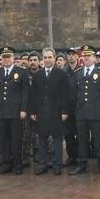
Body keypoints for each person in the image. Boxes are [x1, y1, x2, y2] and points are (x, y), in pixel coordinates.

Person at [69, 45, 100, 175]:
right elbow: (73, 94)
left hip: (97, 113)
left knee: (98, 140)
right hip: (81, 113)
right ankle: (81, 164)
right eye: (85, 56)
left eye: (89, 56)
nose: (87, 58)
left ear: (95, 58)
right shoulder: (77, 73)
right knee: (82, 141)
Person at [29, 48, 71, 176]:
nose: (47, 60)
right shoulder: (38, 75)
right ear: (43, 59)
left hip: (56, 111)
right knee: (42, 139)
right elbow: (33, 95)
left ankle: (57, 164)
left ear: (54, 58)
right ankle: (42, 164)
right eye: (45, 57)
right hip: (41, 112)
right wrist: (32, 111)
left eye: (50, 57)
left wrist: (65, 111)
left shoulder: (62, 74)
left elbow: (66, 94)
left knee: (57, 139)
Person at [0, 46, 30, 174]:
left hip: (16, 112)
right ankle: (6, 163)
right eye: (4, 57)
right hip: (1, 112)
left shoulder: (22, 72)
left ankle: (18, 164)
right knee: (3, 140)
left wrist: (23, 109)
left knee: (16, 139)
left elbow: (25, 92)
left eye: (8, 57)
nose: (6, 60)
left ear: (13, 58)